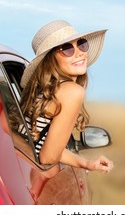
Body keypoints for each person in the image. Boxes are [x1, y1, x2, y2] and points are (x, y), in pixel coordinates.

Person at [19, 19, 113, 174]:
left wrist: (88, 163)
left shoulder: (50, 91)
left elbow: (48, 147)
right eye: (67, 48)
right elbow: (48, 157)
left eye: (81, 44)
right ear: (51, 59)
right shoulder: (72, 92)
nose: (79, 52)